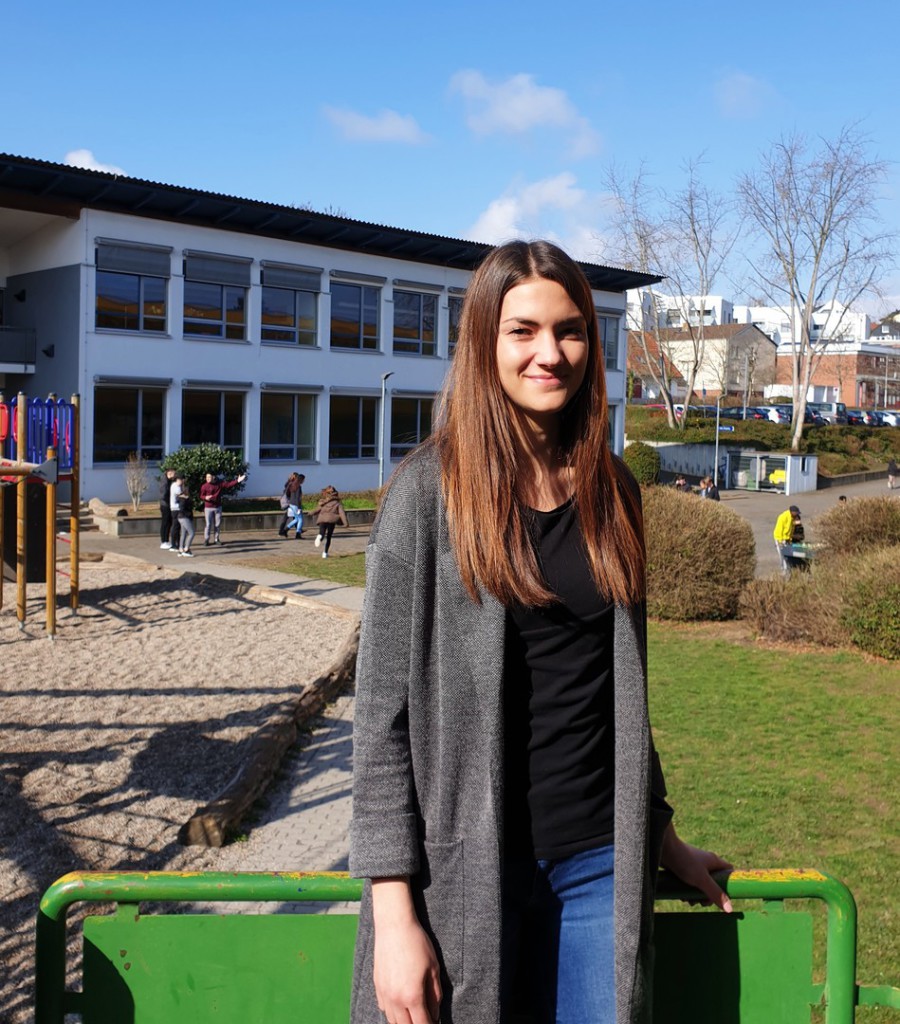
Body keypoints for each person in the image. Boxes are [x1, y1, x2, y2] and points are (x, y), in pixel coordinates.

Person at [349, 240, 731, 1024]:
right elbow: (382, 720)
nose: (549, 354)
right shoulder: (425, 497)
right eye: (522, 331)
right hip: (465, 868)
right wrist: (392, 916)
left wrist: (661, 839)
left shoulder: (612, 491)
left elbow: (617, 697)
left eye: (570, 331)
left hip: (598, 867)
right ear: (484, 343)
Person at [199, 470, 247, 546]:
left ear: (213, 477)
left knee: (217, 524)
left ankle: (216, 539)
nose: (207, 478)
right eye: (206, 477)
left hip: (218, 507)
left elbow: (228, 485)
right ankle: (206, 540)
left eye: (209, 477)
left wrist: (238, 481)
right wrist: (205, 497)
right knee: (208, 524)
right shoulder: (204, 486)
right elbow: (201, 496)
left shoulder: (219, 484)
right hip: (208, 508)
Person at [312, 485, 349, 558]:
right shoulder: (337, 503)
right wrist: (346, 523)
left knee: (321, 533)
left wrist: (310, 513)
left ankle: (319, 537)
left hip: (322, 519)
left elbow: (317, 510)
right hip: (331, 520)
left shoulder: (323, 502)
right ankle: (325, 553)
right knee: (329, 537)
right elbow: (342, 513)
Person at [773, 504, 802, 577]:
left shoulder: (792, 518)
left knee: (787, 555)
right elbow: (779, 530)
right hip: (780, 539)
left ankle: (787, 569)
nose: (797, 515)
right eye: (796, 513)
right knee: (782, 555)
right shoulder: (783, 517)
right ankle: (784, 570)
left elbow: (791, 529)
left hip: (787, 539)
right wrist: (780, 541)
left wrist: (790, 539)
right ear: (792, 512)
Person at [278, 472, 305, 538]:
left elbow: (288, 493)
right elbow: (297, 498)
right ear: (301, 480)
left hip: (291, 504)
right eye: (303, 480)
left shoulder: (292, 485)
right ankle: (298, 533)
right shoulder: (298, 487)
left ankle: (285, 530)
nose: (304, 481)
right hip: (296, 505)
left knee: (296, 519)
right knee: (300, 519)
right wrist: (299, 507)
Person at [175, 479, 195, 557]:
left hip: (182, 517)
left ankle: (181, 550)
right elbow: (182, 508)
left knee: (183, 534)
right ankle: (186, 549)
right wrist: (188, 514)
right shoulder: (184, 498)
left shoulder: (183, 497)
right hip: (184, 517)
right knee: (191, 533)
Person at [159, 467, 176, 549]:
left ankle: (166, 540)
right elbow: (163, 495)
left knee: (169, 523)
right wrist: (169, 501)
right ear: (169, 473)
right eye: (174, 473)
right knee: (165, 523)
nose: (174, 475)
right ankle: (163, 541)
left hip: (168, 505)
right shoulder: (164, 481)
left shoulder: (170, 480)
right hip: (165, 505)